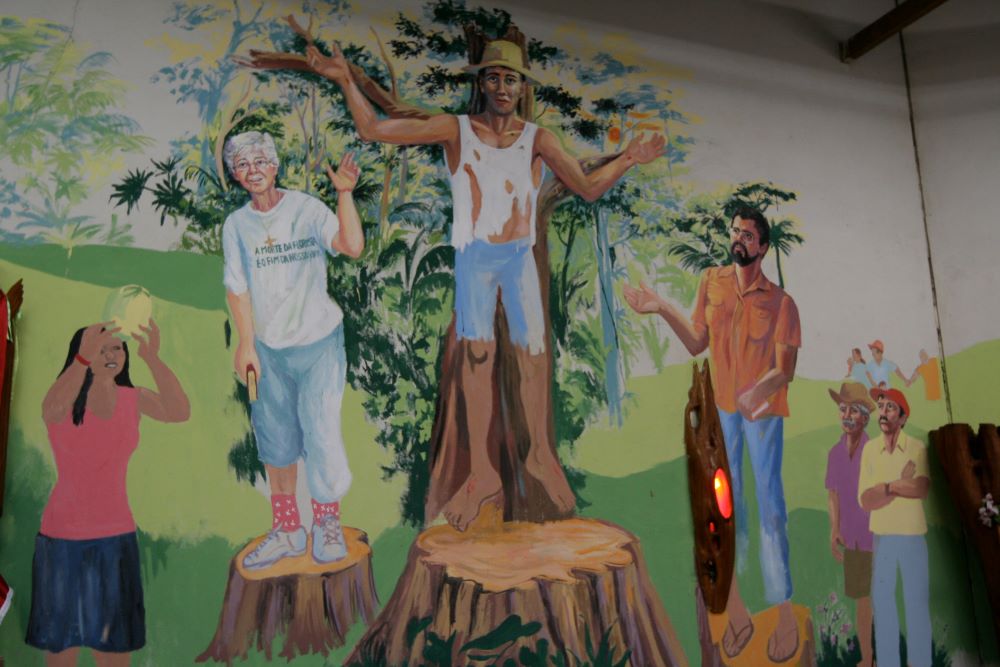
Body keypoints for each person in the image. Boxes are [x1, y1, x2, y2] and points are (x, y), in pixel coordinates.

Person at [305, 39, 665, 531]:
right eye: (493, 77)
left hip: (518, 258)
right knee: (476, 358)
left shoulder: (538, 138)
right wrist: (345, 78)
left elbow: (586, 188)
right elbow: (373, 129)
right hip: (474, 258)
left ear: (521, 88)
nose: (501, 87)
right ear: (482, 83)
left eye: (510, 79)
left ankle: (540, 456)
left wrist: (631, 159)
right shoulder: (456, 130)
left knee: (533, 356)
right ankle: (481, 474)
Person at [623, 208, 801, 661]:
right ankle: (736, 609)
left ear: (762, 247)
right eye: (735, 231)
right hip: (722, 418)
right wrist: (660, 307)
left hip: (762, 416)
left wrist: (754, 392)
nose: (738, 239)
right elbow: (697, 342)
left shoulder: (781, 303)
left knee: (770, 510)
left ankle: (782, 615)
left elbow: (785, 371)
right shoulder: (712, 281)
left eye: (747, 235)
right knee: (728, 510)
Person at [222, 131, 364, 569]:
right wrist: (246, 343)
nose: (253, 170)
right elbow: (237, 289)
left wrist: (344, 195)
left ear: (275, 165)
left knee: (321, 435)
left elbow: (351, 246)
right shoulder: (236, 226)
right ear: (235, 174)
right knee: (276, 441)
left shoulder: (304, 209)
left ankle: (326, 523)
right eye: (243, 164)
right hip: (268, 350)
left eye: (261, 160)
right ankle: (287, 530)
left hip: (319, 342)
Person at [27, 320, 189, 666]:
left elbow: (179, 411)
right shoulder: (66, 396)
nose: (112, 354)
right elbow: (50, 410)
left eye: (117, 348)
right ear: (83, 353)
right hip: (61, 540)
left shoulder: (134, 398)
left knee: (113, 654)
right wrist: (81, 362)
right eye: (102, 348)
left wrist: (153, 359)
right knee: (61, 652)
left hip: (115, 539)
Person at [858, 387, 932, 667]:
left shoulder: (916, 447)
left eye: (890, 408)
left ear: (902, 417)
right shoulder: (870, 450)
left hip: (913, 536)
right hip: (883, 537)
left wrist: (885, 489)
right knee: (883, 603)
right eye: (881, 407)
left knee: (916, 602)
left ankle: (921, 662)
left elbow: (922, 487)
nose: (883, 413)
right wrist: (897, 484)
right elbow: (866, 500)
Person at [825, 382, 876, 667]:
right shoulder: (834, 453)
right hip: (853, 538)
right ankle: (867, 659)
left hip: (876, 533)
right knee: (861, 599)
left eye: (852, 410)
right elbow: (832, 493)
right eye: (842, 409)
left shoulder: (874, 451)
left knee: (878, 595)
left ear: (864, 418)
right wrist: (835, 529)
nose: (846, 415)